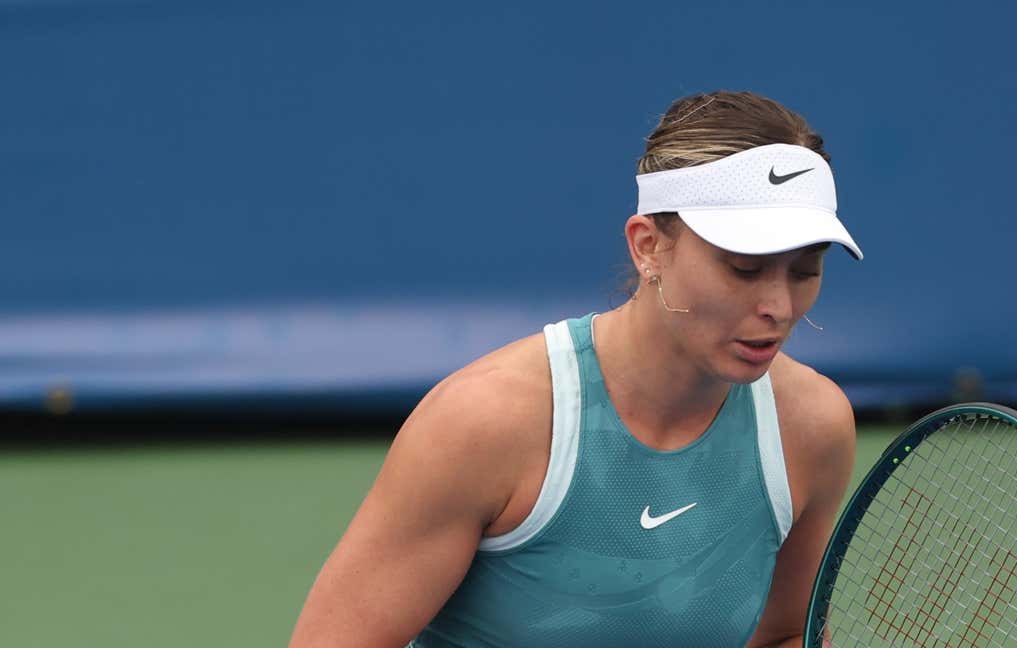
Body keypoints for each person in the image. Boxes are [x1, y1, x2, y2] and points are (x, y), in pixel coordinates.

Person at [289, 90, 863, 648]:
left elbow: (785, 633)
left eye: (804, 271)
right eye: (743, 268)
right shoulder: (485, 423)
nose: (779, 308)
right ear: (647, 247)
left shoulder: (810, 426)